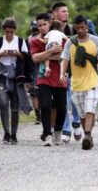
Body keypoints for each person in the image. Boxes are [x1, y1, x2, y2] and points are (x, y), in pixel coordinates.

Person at [60, 15, 98, 150]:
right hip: (76, 83)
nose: (80, 30)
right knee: (82, 114)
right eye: (78, 28)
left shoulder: (96, 41)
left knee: (90, 109)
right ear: (75, 28)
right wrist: (62, 73)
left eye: (83, 27)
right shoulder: (70, 42)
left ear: (87, 27)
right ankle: (88, 135)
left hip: (93, 81)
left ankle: (87, 135)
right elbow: (65, 59)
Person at [0, 17, 31, 144]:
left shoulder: (20, 41)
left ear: (14, 31)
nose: (9, 34)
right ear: (3, 30)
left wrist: (16, 53)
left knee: (14, 107)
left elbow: (26, 58)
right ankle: (6, 132)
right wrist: (2, 54)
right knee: (3, 104)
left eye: (11, 32)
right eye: (7, 32)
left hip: (16, 77)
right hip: (2, 76)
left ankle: (14, 134)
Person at [30, 13, 67, 146]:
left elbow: (65, 57)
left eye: (44, 24)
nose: (42, 28)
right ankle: (47, 134)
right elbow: (34, 58)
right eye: (39, 25)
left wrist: (45, 56)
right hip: (43, 77)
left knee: (61, 108)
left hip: (60, 77)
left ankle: (57, 131)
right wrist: (51, 52)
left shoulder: (60, 37)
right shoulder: (35, 41)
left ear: (49, 24)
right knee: (45, 105)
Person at [52, 2, 82, 143]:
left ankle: (76, 122)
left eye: (68, 11)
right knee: (63, 101)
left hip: (73, 71)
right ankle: (66, 129)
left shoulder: (72, 29)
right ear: (55, 14)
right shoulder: (50, 30)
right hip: (56, 71)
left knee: (74, 100)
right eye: (64, 11)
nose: (67, 14)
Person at [26, 20, 41, 124]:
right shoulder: (29, 40)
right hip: (33, 68)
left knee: (39, 93)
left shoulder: (45, 38)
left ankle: (40, 115)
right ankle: (38, 115)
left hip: (41, 67)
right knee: (34, 94)